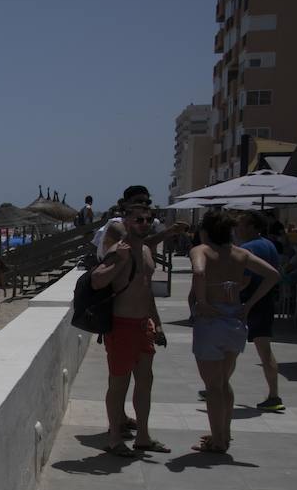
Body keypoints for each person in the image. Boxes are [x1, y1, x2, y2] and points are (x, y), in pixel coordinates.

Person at [189, 210, 279, 453]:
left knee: (213, 386)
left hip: (211, 322)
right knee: (224, 382)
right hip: (234, 320)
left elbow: (199, 271)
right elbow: (273, 275)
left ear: (205, 231)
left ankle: (217, 440)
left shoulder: (202, 250)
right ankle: (224, 434)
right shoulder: (241, 253)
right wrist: (248, 305)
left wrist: (202, 301)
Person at [91, 193, 169, 457]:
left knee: (145, 382)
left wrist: (156, 324)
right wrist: (119, 263)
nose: (144, 223)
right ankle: (114, 438)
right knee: (119, 384)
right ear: (126, 220)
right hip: (121, 326)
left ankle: (143, 437)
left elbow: (146, 291)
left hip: (142, 325)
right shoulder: (119, 250)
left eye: (148, 219)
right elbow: (97, 280)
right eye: (138, 219)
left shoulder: (146, 251)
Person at [234, 211, 285, 412]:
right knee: (265, 351)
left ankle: (216, 386)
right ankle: (274, 395)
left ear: (254, 227)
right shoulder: (269, 245)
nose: (239, 229)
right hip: (266, 303)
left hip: (249, 303)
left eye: (243, 225)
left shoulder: (246, 249)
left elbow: (244, 281)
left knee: (231, 347)